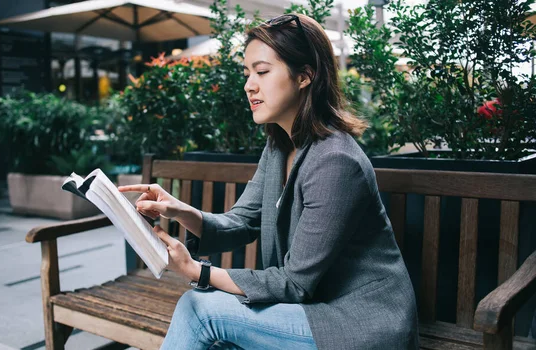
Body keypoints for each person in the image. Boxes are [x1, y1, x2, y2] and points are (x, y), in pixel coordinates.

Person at [118, 13, 419, 350]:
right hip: (310, 311)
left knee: (200, 310)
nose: (249, 84)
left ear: (305, 75)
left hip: (359, 323)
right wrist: (178, 210)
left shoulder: (336, 161)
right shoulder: (279, 146)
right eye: (247, 73)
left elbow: (294, 283)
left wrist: (195, 271)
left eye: (262, 72)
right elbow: (242, 223)